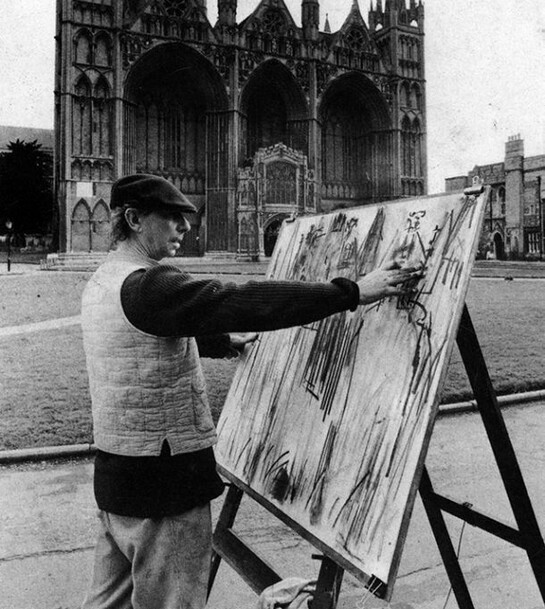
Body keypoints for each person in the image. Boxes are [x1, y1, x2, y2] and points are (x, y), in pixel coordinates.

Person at [80, 173, 422, 609]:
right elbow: (239, 299)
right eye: (171, 218)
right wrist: (351, 291)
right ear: (133, 218)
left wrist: (220, 342)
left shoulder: (106, 281)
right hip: (165, 490)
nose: (185, 228)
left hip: (117, 481)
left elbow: (135, 337)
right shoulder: (150, 283)